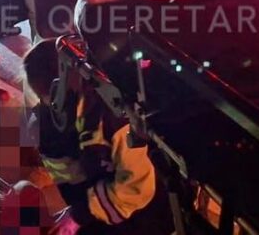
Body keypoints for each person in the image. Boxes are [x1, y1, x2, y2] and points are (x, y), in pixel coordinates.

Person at [23, 40, 171, 234]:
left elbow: (136, 189)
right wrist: (78, 210)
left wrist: (82, 214)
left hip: (143, 209)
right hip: (100, 200)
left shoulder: (116, 115)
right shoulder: (46, 124)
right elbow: (68, 178)